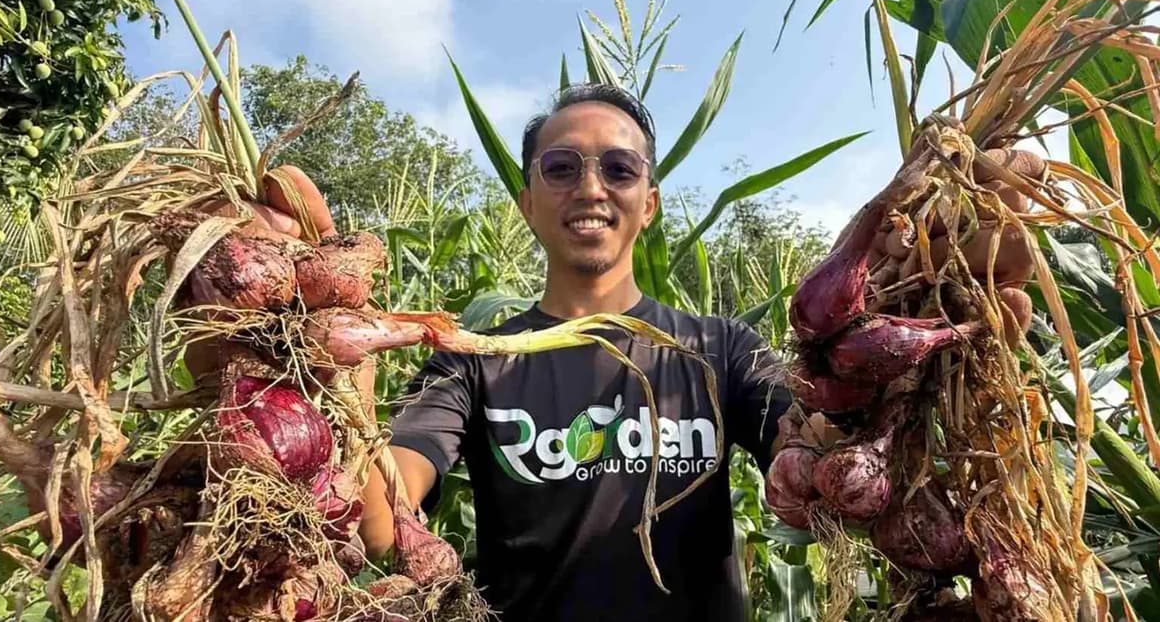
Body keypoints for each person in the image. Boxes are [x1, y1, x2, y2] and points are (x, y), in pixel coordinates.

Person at [201, 83, 1040, 621]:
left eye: (618, 167)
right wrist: (308, 368)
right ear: (529, 200)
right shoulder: (472, 356)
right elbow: (384, 519)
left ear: (651, 201)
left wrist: (925, 311)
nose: (590, 186)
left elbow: (825, 461)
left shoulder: (722, 349)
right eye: (560, 167)